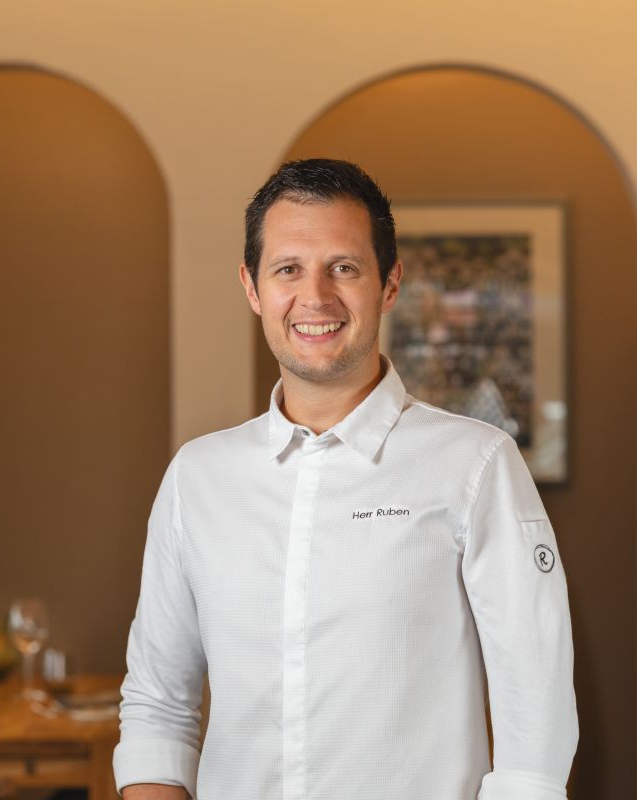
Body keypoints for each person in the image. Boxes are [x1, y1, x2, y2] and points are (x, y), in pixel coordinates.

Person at [113, 159, 578, 800]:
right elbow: (157, 706)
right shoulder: (197, 478)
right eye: (288, 269)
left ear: (389, 284)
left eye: (344, 268)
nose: (315, 297)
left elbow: (535, 714)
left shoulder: (477, 464)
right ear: (252, 287)